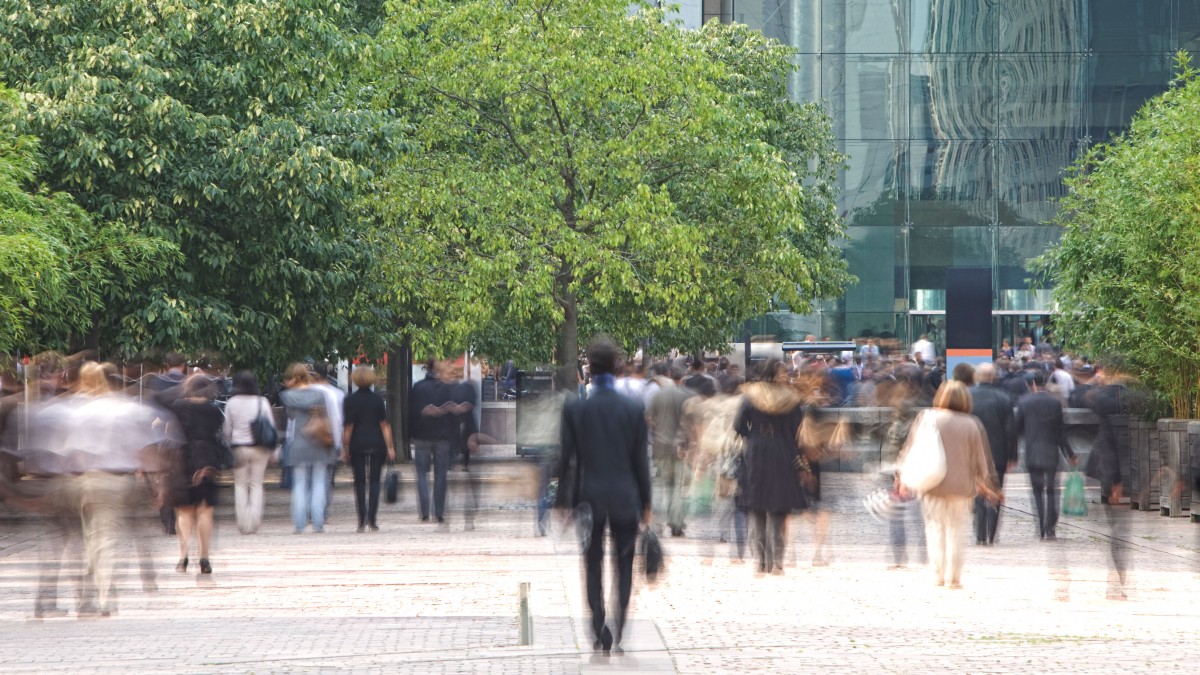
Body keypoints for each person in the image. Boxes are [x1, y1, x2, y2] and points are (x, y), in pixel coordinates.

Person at [555, 337, 651, 655]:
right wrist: (647, 502)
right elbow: (640, 461)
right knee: (624, 563)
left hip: (590, 497)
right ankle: (619, 625)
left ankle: (599, 628)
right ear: (616, 366)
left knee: (592, 563)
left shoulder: (576, 408)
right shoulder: (633, 409)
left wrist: (562, 501)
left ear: (589, 369)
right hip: (625, 496)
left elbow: (567, 458)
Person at [898, 380, 1000, 588]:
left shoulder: (927, 418)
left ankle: (938, 574)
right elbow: (981, 460)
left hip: (932, 484)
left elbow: (911, 449)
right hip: (961, 487)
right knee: (957, 530)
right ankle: (953, 577)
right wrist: (988, 486)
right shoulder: (971, 423)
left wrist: (903, 477)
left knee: (935, 528)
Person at [734, 359, 808, 575]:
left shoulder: (751, 395)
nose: (786, 375)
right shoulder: (791, 398)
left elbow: (738, 425)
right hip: (782, 450)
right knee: (779, 507)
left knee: (757, 507)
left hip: (757, 451)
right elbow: (798, 429)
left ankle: (760, 562)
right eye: (783, 372)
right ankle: (777, 562)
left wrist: (754, 436)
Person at [166, 374, 226, 574]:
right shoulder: (214, 410)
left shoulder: (178, 406)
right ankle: (204, 557)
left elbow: (167, 431)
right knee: (205, 510)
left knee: (184, 510)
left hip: (183, 458)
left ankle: (183, 556)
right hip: (208, 458)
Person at [1016, 371, 1076, 541]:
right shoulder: (1054, 402)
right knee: (1051, 489)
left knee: (1037, 490)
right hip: (1051, 452)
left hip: (1032, 452)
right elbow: (1061, 432)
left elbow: (1016, 429)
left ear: (1031, 384)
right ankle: (1050, 527)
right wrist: (1070, 453)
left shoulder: (1024, 402)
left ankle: (1040, 525)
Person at [279, 364, 338, 534]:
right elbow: (327, 416)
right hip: (319, 441)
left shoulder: (288, 396)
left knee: (299, 484)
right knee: (319, 482)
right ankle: (318, 523)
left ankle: (300, 524)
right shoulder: (319, 394)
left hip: (299, 442)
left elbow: (291, 416)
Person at [223, 371, 276, 535]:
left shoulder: (231, 403)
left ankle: (243, 523)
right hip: (260, 448)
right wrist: (273, 450)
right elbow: (271, 426)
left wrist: (229, 444)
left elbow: (227, 429)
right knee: (256, 484)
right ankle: (254, 522)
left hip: (239, 447)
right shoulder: (262, 402)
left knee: (240, 485)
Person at [342, 366, 395, 532]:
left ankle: (361, 519)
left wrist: (345, 447)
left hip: (357, 443)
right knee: (374, 481)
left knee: (359, 482)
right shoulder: (377, 400)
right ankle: (372, 518)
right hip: (376, 442)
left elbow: (348, 427)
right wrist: (390, 446)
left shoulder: (350, 400)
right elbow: (384, 425)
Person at [969, 364, 1017, 544]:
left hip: (974, 453)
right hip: (998, 454)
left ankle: (980, 533)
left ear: (977, 376)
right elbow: (1010, 430)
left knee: (977, 491)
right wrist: (1012, 455)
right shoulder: (1003, 397)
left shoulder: (968, 396)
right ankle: (991, 533)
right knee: (996, 490)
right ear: (993, 377)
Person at [646, 365, 693, 536]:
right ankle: (676, 523)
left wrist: (655, 430)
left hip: (660, 446)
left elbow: (647, 417)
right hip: (681, 449)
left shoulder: (658, 395)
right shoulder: (687, 396)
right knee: (679, 487)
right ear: (682, 378)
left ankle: (657, 525)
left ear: (669, 375)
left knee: (661, 485)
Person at [409, 357, 457, 526]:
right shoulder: (446, 388)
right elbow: (453, 414)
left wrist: (410, 434)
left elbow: (411, 412)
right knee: (441, 474)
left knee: (421, 474)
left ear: (426, 368)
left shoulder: (417, 387)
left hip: (421, 436)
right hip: (442, 437)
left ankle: (424, 513)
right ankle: (439, 513)